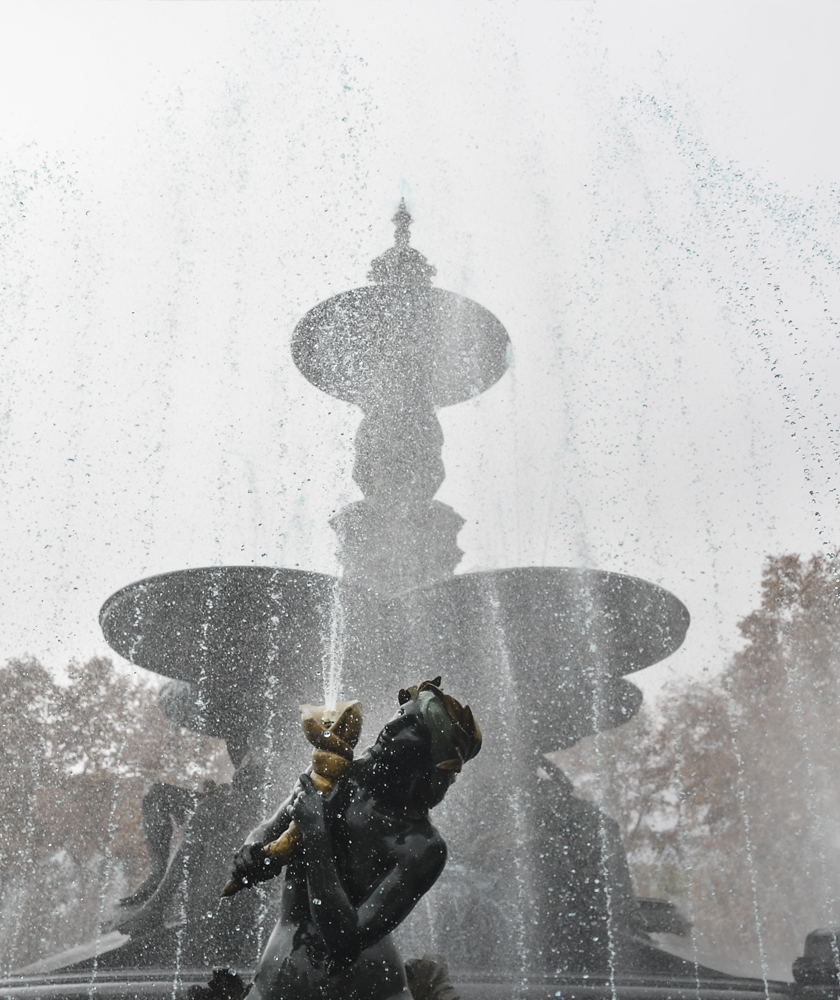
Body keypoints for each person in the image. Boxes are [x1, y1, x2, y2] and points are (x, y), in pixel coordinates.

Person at [227, 678, 481, 1000]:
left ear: (431, 757)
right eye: (399, 711)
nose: (392, 723)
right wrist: (252, 852)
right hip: (276, 985)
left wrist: (317, 835)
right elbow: (272, 828)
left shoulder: (423, 847)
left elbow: (344, 944)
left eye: (411, 724)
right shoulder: (334, 774)